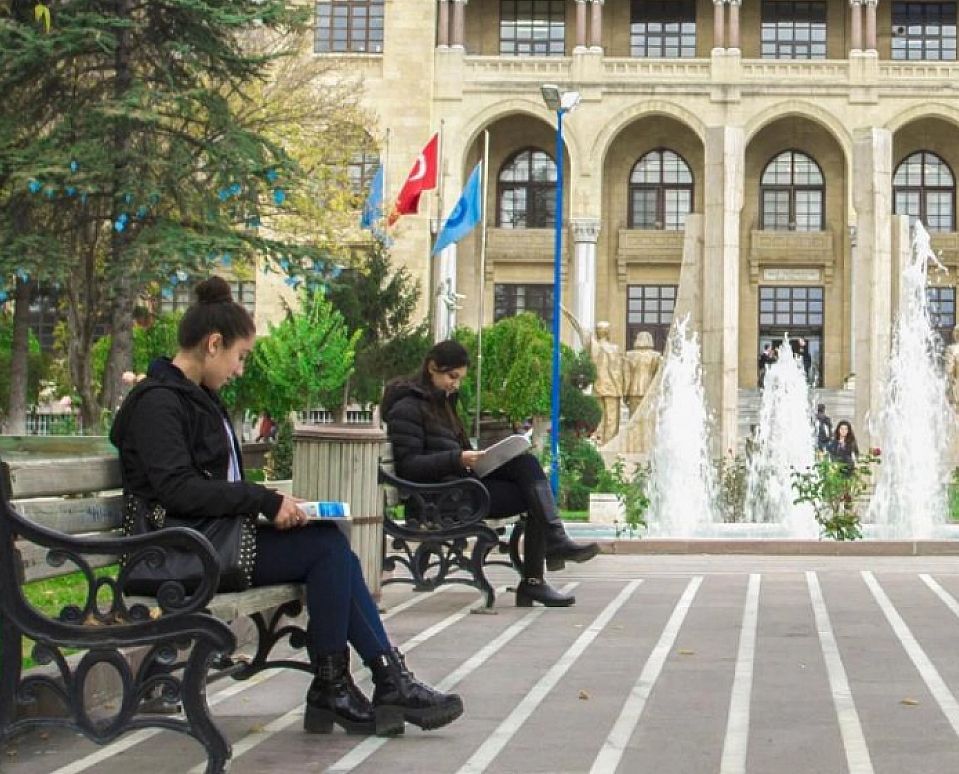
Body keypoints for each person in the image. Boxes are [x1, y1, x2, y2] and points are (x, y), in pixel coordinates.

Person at [113, 277, 463, 737]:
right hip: (171, 554)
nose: (240, 370)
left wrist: (275, 504)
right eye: (240, 356)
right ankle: (353, 684)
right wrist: (263, 500)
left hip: (204, 542)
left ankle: (369, 681)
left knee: (329, 543)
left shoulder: (194, 398)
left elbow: (209, 486)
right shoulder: (158, 403)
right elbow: (179, 490)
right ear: (213, 344)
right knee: (326, 551)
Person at [382, 340, 599, 609]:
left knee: (526, 465)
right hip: (438, 500)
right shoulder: (407, 408)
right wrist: (457, 459)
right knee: (533, 495)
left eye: (460, 379)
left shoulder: (441, 404)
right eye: (452, 377)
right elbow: (409, 466)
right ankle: (539, 572)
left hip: (459, 488)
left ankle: (552, 547)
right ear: (432, 367)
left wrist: (478, 458)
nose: (456, 385)